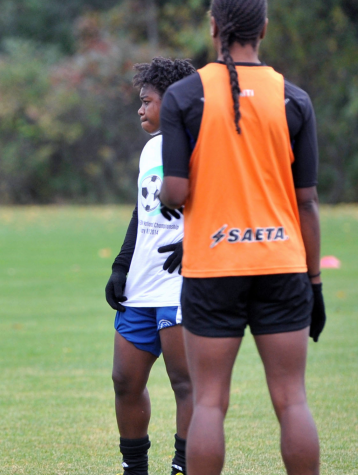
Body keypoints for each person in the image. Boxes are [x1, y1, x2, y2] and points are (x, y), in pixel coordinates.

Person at [158, 0, 326, 474]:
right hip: (283, 264)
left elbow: (175, 191)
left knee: (209, 402)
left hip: (214, 266)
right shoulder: (293, 98)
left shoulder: (186, 97)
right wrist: (314, 284)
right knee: (292, 400)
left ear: (213, 27)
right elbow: (307, 202)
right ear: (264, 30)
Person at [105, 57, 196, 475]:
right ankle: (134, 469)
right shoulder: (150, 148)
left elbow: (224, 206)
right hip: (142, 282)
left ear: (174, 100)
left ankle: (182, 466)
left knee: (185, 383)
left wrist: (193, 244)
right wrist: (122, 265)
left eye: (147, 101)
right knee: (124, 379)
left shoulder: (201, 142)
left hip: (182, 282)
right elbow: (141, 212)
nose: (140, 110)